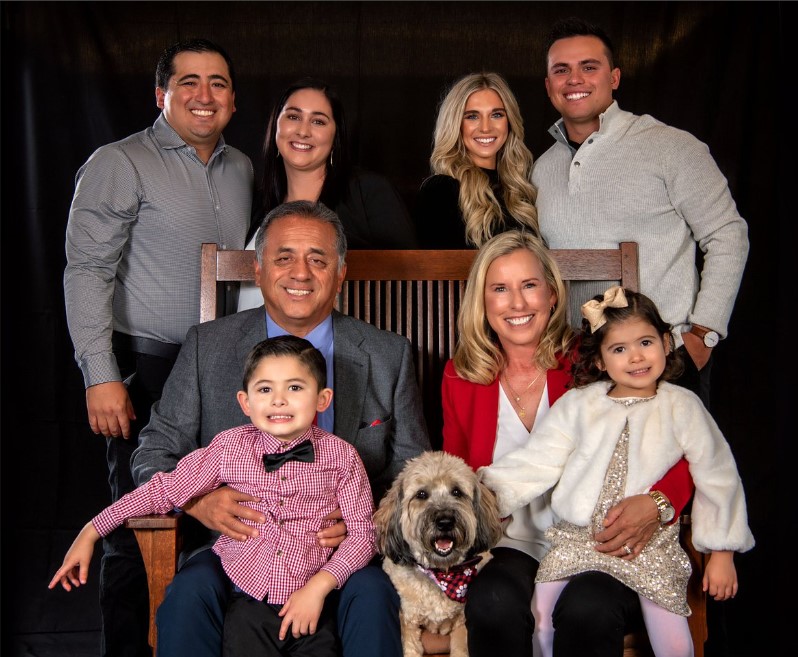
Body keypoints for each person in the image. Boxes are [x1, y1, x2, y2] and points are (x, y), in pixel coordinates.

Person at [131, 200, 431, 657]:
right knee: (187, 599)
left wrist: (363, 523)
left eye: (318, 258)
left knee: (374, 599)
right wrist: (198, 501)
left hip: (346, 556)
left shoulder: (388, 355)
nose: (301, 273)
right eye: (284, 257)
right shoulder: (206, 348)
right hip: (235, 550)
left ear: (341, 272)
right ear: (258, 268)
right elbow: (154, 452)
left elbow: (415, 473)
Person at [62, 38, 253, 657]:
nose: (205, 95)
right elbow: (86, 268)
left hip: (222, 370)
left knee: (218, 525)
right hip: (143, 369)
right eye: (189, 82)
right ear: (161, 94)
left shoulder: (242, 167)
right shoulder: (120, 162)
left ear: (232, 97)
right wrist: (100, 374)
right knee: (137, 528)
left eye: (218, 82)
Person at [438, 230, 695, 657]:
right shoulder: (461, 376)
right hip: (509, 545)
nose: (517, 304)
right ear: (482, 303)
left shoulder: (598, 360)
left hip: (601, 542)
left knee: (587, 608)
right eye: (500, 289)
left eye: (530, 286)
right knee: (493, 602)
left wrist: (657, 503)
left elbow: (685, 443)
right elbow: (457, 471)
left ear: (553, 295)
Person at [50, 335, 376, 657]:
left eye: (294, 387)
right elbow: (161, 489)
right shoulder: (228, 448)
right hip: (246, 599)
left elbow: (363, 534)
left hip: (315, 601)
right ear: (245, 402)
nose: (279, 400)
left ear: (322, 398)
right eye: (265, 389)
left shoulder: (343, 457)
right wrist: (91, 531)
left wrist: (320, 586)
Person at [479, 286, 755, 657]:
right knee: (540, 619)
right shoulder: (580, 404)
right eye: (619, 349)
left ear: (666, 342)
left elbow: (716, 473)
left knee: (672, 637)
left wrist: (722, 551)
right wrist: (483, 495)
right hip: (577, 542)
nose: (636, 357)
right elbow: (537, 460)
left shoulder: (683, 406)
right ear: (599, 361)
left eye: (645, 342)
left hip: (646, 548)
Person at [533, 17, 749, 408]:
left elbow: (727, 234)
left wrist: (703, 335)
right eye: (561, 70)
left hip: (665, 360)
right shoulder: (540, 169)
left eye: (589, 67)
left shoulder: (672, 147)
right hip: (576, 364)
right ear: (549, 86)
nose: (574, 79)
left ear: (614, 77)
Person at [238, 77, 417, 310]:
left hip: (343, 343)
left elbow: (413, 281)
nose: (303, 131)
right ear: (275, 126)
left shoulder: (370, 193)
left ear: (335, 138)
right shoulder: (254, 203)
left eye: (318, 122)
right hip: (249, 342)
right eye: (293, 117)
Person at [413, 71, 540, 249]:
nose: (486, 128)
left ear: (509, 122)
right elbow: (437, 270)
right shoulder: (441, 190)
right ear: (456, 124)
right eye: (472, 116)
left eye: (496, 115)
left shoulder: (521, 189)